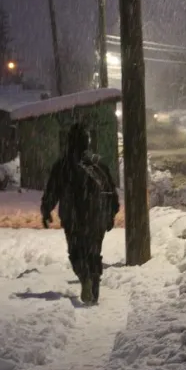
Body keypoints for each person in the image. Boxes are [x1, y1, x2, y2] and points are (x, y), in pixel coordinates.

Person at [40, 122, 120, 304]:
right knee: (94, 253)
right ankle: (94, 286)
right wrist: (110, 215)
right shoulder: (98, 164)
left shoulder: (62, 166)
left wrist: (46, 210)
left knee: (76, 252)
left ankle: (84, 277)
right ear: (87, 142)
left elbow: (52, 191)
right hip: (96, 216)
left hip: (72, 217)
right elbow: (111, 193)